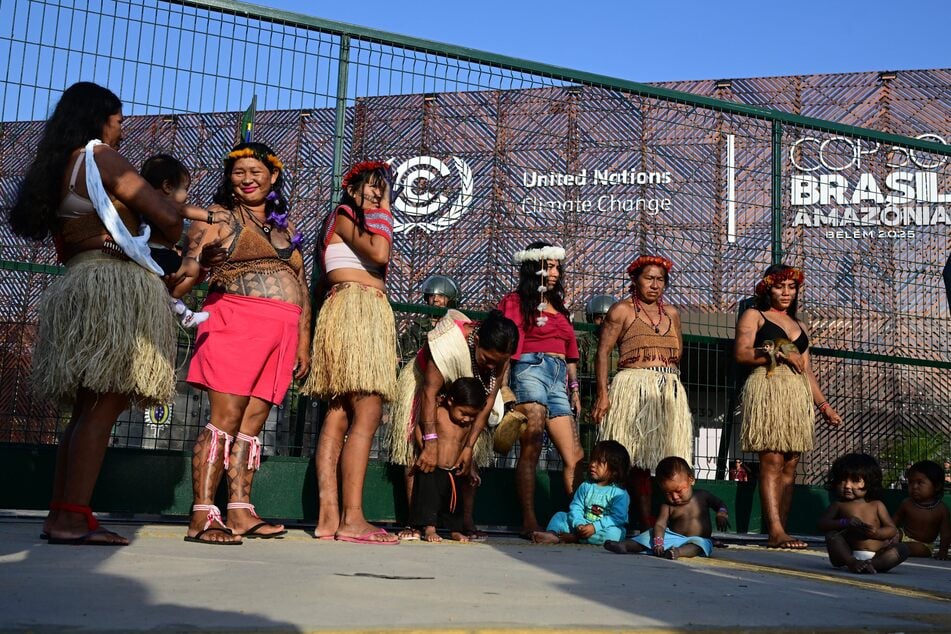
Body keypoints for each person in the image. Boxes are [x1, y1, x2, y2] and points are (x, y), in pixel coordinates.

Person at [8, 82, 182, 545]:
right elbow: (166, 216)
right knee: (103, 406)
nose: (122, 129)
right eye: (119, 120)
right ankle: (70, 517)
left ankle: (65, 511)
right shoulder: (102, 157)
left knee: (85, 409)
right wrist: (176, 216)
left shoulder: (61, 164)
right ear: (100, 119)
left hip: (80, 283)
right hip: (111, 286)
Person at [183, 142, 310, 544]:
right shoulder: (218, 217)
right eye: (239, 172)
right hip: (235, 323)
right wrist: (199, 264)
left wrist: (303, 342)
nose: (248, 179)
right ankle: (203, 515)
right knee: (225, 421)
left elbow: (302, 288)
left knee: (252, 427)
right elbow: (188, 270)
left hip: (281, 335)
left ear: (273, 177)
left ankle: (239, 510)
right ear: (229, 179)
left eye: (256, 172)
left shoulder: (283, 228)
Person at [302, 160, 399, 544]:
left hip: (354, 311)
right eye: (371, 187)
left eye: (383, 188)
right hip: (355, 309)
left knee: (341, 412)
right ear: (351, 189)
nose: (377, 194)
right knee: (369, 409)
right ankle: (352, 518)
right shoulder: (344, 215)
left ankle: (329, 516)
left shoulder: (348, 218)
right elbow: (379, 254)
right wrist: (385, 211)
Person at [734, 264, 843, 549]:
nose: (786, 292)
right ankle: (775, 531)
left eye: (791, 287)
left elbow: (807, 370)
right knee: (771, 461)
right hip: (768, 386)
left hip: (797, 394)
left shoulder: (800, 325)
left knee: (791, 465)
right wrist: (778, 352)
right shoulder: (754, 316)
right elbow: (743, 354)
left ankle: (783, 529)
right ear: (766, 288)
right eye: (779, 286)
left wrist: (823, 406)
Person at [385, 309, 518, 541]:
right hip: (426, 386)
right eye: (487, 359)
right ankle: (415, 523)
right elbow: (429, 392)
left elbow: (486, 404)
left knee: (466, 462)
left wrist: (468, 448)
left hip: (468, 400)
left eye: (497, 363)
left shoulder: (500, 360)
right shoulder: (447, 343)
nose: (490, 367)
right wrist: (430, 440)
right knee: (417, 455)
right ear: (476, 341)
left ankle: (464, 522)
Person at [592, 255, 692, 531]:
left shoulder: (671, 313)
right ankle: (631, 517)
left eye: (660, 280)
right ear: (635, 280)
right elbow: (603, 353)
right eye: (649, 278)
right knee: (631, 454)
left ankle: (668, 520)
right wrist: (603, 394)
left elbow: (678, 352)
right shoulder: (621, 311)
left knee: (666, 456)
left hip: (668, 388)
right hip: (632, 385)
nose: (655, 285)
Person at [498, 241, 585, 537]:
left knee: (575, 455)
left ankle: (581, 523)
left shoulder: (560, 306)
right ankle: (529, 521)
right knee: (532, 445)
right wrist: (504, 389)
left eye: (558, 266)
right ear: (533, 266)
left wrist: (575, 389)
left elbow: (571, 351)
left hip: (559, 378)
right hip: (530, 370)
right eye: (549, 265)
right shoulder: (514, 300)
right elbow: (508, 343)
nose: (556, 271)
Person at [409, 377, 488, 543]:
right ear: (451, 401)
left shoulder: (466, 425)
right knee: (428, 499)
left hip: (453, 470)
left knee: (455, 503)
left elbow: (465, 446)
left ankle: (455, 530)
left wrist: (471, 467)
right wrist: (424, 449)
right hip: (431, 466)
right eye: (464, 413)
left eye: (472, 416)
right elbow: (418, 427)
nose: (466, 419)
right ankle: (429, 528)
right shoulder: (438, 413)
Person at [139, 153, 212, 328]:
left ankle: (178, 308)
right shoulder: (164, 203)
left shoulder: (138, 201)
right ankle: (171, 301)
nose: (187, 195)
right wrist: (211, 216)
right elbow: (184, 209)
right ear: (167, 186)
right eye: (185, 189)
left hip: (142, 257)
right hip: (157, 254)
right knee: (192, 267)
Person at [604, 456, 729, 558]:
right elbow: (660, 525)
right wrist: (658, 542)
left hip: (697, 539)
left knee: (700, 545)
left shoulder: (703, 496)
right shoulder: (668, 506)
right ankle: (625, 545)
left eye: (679, 491)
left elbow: (720, 504)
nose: (674, 497)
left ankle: (677, 553)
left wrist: (722, 513)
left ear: (691, 479)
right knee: (648, 536)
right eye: (668, 493)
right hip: (672, 537)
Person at [817, 453, 907, 573]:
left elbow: (891, 529)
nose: (847, 486)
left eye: (854, 481)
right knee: (832, 536)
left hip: (877, 554)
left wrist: (877, 533)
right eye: (843, 480)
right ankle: (853, 563)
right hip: (848, 554)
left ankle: (872, 564)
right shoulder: (839, 505)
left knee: (903, 549)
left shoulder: (877, 505)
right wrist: (844, 522)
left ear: (869, 482)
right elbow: (822, 524)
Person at [531, 440, 631, 545]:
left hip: (602, 529)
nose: (592, 464)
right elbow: (576, 507)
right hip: (581, 525)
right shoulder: (585, 486)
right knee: (560, 516)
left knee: (614, 534)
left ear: (614, 470)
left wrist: (594, 527)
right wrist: (579, 524)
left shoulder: (619, 493)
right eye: (592, 460)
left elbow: (618, 518)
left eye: (599, 462)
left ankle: (572, 538)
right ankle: (551, 534)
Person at [892, 460, 950, 559]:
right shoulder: (907, 503)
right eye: (911, 482)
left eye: (920, 483)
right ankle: (889, 546)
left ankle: (894, 548)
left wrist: (943, 552)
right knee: (890, 535)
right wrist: (890, 533)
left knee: (918, 549)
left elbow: (946, 534)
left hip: (924, 545)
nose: (914, 487)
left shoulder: (941, 509)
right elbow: (893, 523)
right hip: (903, 536)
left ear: (937, 486)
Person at [398, 275, 461, 365]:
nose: (435, 299)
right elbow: (404, 354)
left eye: (441, 295)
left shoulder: (456, 327)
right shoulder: (418, 326)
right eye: (432, 295)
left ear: (451, 299)